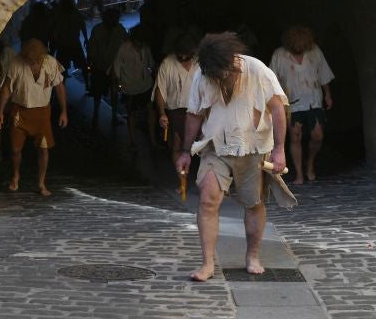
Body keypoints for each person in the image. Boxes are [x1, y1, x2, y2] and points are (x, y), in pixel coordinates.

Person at [179, 32, 288, 280]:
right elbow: (194, 113)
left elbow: (277, 108)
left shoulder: (257, 69)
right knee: (207, 200)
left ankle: (253, 255)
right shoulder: (202, 74)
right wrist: (186, 151)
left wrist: (280, 149)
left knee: (253, 203)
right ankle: (207, 264)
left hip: (253, 148)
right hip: (214, 147)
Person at [0, 39, 68, 196]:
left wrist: (64, 111)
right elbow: (7, 88)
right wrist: (0, 111)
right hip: (20, 113)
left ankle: (41, 183)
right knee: (15, 149)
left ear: (43, 56)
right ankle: (15, 176)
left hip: (42, 114)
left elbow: (60, 87)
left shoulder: (50, 63)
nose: (33, 62)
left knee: (43, 149)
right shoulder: (16, 63)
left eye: (36, 60)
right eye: (29, 60)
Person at [269, 25, 335, 185]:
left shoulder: (314, 52)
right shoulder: (279, 55)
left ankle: (310, 162)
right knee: (295, 136)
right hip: (291, 102)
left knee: (318, 135)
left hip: (313, 100)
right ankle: (299, 173)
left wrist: (328, 94)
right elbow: (271, 79)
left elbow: (323, 73)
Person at [154, 30, 200, 176]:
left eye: (186, 55)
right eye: (180, 54)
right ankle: (182, 181)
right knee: (177, 147)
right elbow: (160, 90)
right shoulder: (167, 64)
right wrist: (162, 114)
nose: (183, 57)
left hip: (198, 112)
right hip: (176, 112)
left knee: (205, 147)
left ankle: (206, 182)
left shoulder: (200, 63)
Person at [111, 27, 154, 147]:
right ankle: (133, 141)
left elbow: (151, 64)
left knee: (150, 111)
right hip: (130, 88)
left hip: (145, 85)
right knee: (131, 113)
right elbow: (116, 68)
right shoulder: (124, 48)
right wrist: (116, 85)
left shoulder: (146, 48)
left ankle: (153, 140)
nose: (140, 45)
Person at [86, 7, 126, 127]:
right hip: (100, 67)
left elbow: (127, 43)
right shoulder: (99, 30)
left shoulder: (119, 29)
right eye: (114, 18)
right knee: (98, 93)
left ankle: (107, 116)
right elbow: (92, 50)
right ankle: (96, 116)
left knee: (113, 93)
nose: (116, 20)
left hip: (113, 68)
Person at [49, 0, 88, 77]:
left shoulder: (58, 11)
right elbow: (82, 25)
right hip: (71, 42)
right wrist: (86, 38)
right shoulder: (73, 11)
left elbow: (52, 26)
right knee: (82, 64)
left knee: (63, 64)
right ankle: (87, 84)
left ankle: (62, 79)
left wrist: (52, 39)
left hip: (63, 42)